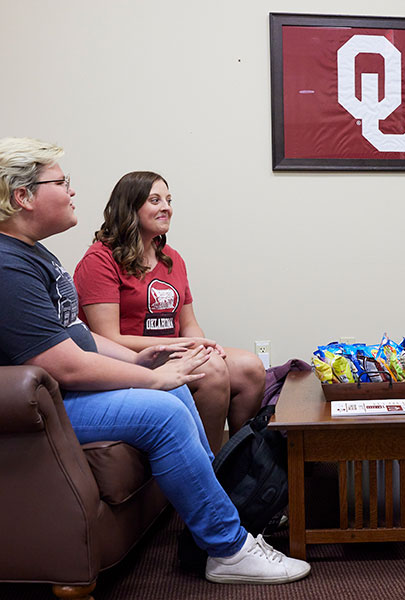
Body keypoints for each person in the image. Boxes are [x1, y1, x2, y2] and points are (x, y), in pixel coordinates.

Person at [0, 137, 310, 584]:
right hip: (42, 405)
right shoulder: (8, 266)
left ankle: (222, 517)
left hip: (62, 391)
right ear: (22, 196)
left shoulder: (35, 255)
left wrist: (147, 360)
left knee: (179, 389)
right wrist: (153, 379)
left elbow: (80, 337)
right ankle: (227, 548)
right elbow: (64, 365)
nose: (71, 191)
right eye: (61, 182)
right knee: (163, 410)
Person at [72, 171, 265, 454]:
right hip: (130, 360)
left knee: (250, 368)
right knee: (211, 372)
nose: (166, 207)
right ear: (130, 208)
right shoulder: (100, 260)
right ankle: (207, 468)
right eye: (155, 200)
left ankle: (238, 464)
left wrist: (200, 346)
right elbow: (107, 338)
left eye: (169, 200)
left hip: (173, 351)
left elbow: (189, 325)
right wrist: (187, 347)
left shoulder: (171, 257)